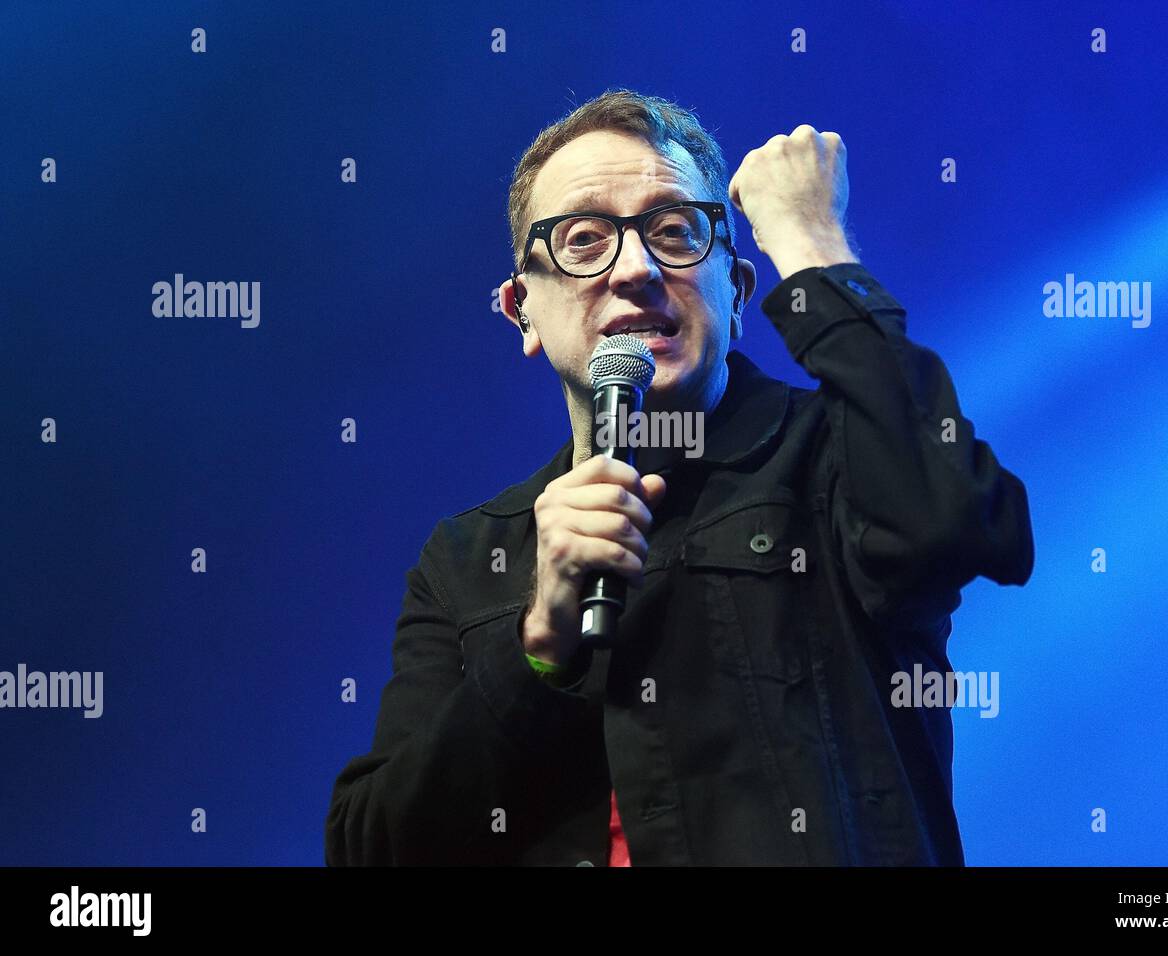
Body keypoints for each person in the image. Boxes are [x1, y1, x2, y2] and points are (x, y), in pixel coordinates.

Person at [325, 88, 1034, 866]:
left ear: (736, 297)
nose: (635, 268)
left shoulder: (834, 455)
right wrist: (538, 644)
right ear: (521, 311)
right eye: (585, 239)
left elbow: (961, 523)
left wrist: (809, 238)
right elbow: (373, 850)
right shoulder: (467, 559)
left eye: (674, 232)